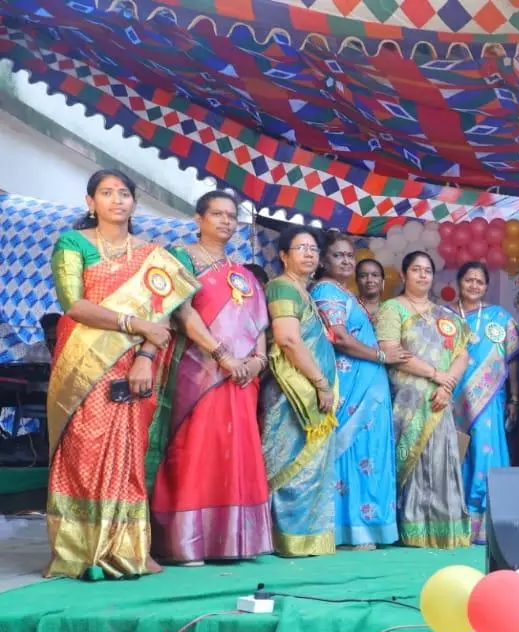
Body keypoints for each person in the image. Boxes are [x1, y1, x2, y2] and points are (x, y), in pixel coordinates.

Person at [43, 169, 200, 580]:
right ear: (90, 202)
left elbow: (161, 316)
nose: (117, 200)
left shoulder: (151, 254)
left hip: (134, 363)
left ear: (134, 202)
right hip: (84, 363)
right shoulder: (73, 244)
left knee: (130, 452)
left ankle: (130, 546)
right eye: (107, 193)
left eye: (125, 193)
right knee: (84, 449)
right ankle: (80, 549)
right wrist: (135, 325)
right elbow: (74, 305)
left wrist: (146, 355)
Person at [151, 190, 273, 566]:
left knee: (235, 451)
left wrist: (258, 359)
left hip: (241, 377)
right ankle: (185, 543)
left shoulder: (242, 272)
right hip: (198, 371)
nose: (225, 221)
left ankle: (231, 542)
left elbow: (259, 324)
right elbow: (182, 313)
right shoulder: (181, 257)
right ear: (198, 218)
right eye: (217, 214)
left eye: (231, 216)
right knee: (195, 449)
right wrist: (221, 355)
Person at [312, 235, 401, 550]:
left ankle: (370, 527)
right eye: (338, 255)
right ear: (324, 260)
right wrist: (380, 356)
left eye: (350, 255)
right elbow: (339, 336)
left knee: (371, 453)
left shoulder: (344, 293)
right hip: (351, 387)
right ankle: (349, 530)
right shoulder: (326, 290)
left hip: (367, 385)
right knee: (353, 452)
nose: (347, 261)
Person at [377, 251, 471, 549]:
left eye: (427, 270)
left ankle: (443, 531)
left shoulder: (445, 315)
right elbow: (391, 352)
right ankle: (410, 530)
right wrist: (435, 374)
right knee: (411, 463)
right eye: (415, 270)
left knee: (441, 460)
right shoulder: (392, 309)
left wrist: (447, 385)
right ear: (403, 275)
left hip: (439, 400)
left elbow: (462, 354)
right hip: (406, 401)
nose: (422, 275)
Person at [260, 226, 339, 556]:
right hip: (292, 392)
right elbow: (288, 339)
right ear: (283, 255)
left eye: (313, 249)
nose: (309, 254)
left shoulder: (305, 292)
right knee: (288, 462)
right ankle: (284, 538)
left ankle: (307, 538)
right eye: (301, 248)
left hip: (310, 386)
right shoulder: (281, 287)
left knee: (311, 466)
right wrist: (320, 383)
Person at [452, 261, 519, 544]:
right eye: (469, 280)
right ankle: (453, 521)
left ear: (486, 286)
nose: (474, 286)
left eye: (480, 282)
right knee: (455, 455)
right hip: (450, 397)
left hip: (489, 398)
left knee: (484, 452)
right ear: (459, 282)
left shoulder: (500, 317)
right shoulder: (443, 317)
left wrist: (515, 397)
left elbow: (512, 361)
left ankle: (481, 526)